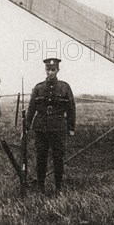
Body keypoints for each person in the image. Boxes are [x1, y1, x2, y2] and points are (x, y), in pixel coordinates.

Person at [26, 58, 76, 194]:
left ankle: (58, 187)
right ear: (45, 70)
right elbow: (31, 108)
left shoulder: (65, 87)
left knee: (58, 158)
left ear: (58, 70)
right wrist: (26, 126)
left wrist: (71, 128)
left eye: (53, 70)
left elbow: (71, 108)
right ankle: (40, 187)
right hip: (41, 128)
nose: (50, 72)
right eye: (48, 70)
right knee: (41, 158)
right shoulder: (39, 87)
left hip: (58, 128)